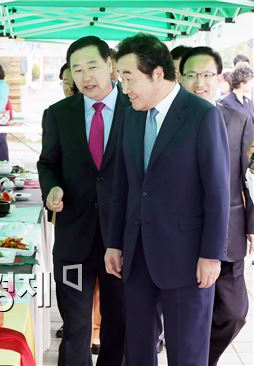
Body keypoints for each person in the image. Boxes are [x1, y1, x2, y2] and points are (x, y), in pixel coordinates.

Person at [106, 33, 230, 366]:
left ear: (158, 73)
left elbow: (217, 192)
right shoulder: (131, 112)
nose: (124, 86)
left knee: (186, 353)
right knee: (139, 351)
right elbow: (123, 184)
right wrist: (114, 243)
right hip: (136, 254)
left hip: (187, 258)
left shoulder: (201, 115)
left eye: (129, 77)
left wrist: (211, 255)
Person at [37, 36, 127, 366]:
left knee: (119, 325)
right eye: (77, 70)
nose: (85, 76)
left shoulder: (136, 109)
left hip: (122, 242)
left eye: (92, 66)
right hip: (74, 242)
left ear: (110, 65)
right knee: (75, 327)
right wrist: (52, 189)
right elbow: (47, 164)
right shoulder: (59, 113)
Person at [180, 46, 253, 366]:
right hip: (182, 234)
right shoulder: (168, 119)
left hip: (229, 232)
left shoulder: (238, 119)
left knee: (234, 313)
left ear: (220, 78)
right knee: (190, 314)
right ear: (179, 78)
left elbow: (246, 177)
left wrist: (252, 225)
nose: (199, 82)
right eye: (192, 75)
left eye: (207, 75)